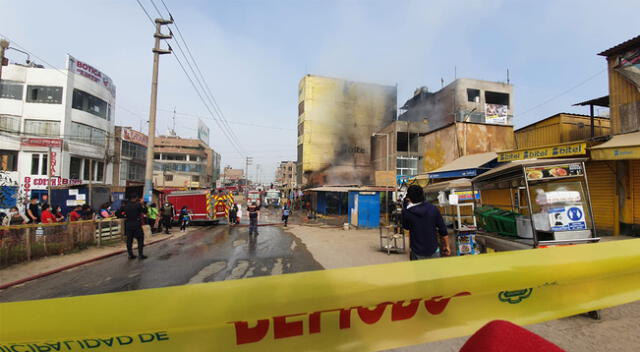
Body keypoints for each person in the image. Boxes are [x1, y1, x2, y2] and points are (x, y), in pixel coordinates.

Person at [402, 185, 450, 260]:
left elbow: (406, 227)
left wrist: (405, 205)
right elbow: (443, 229)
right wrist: (447, 246)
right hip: (434, 250)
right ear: (423, 195)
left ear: (409, 198)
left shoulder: (407, 212)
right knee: (435, 271)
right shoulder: (433, 209)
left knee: (418, 272)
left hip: (417, 251)